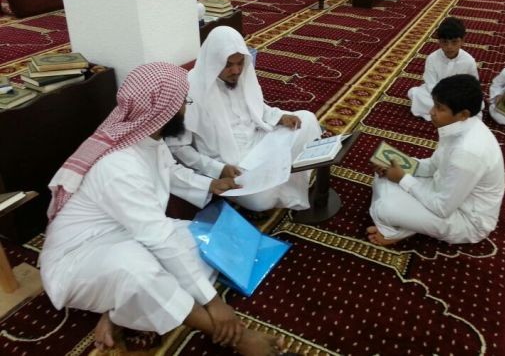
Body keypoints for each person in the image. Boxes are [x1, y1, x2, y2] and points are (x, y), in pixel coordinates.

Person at [39, 62, 284, 355]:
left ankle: (120, 310)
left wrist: (210, 184)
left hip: (129, 232)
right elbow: (158, 236)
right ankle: (240, 339)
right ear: (163, 109)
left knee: (202, 243)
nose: (185, 109)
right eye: (182, 102)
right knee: (137, 269)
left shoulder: (147, 140)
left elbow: (169, 171)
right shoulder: (118, 166)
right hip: (79, 258)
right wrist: (214, 303)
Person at [168, 26, 322, 212]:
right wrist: (217, 169)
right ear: (213, 62)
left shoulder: (241, 75)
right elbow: (178, 148)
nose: (236, 70)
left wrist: (279, 116)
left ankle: (279, 176)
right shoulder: (190, 90)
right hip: (233, 165)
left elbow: (256, 106)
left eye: (240, 63)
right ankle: (284, 176)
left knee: (306, 119)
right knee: (261, 201)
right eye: (228, 65)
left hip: (259, 141)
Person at [368, 74, 505, 245]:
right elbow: (433, 167)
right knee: (382, 176)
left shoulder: (468, 152)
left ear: (463, 114)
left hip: (467, 219)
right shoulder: (458, 127)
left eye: (439, 108)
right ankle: (407, 224)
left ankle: (394, 232)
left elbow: (442, 208)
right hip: (444, 190)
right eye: (434, 104)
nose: (431, 112)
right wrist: (399, 165)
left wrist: (402, 178)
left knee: (384, 208)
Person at [407, 17, 479, 121]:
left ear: (462, 41)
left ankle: (444, 113)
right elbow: (430, 84)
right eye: (445, 42)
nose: (449, 47)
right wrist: (443, 99)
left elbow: (472, 86)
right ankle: (453, 115)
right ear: (439, 42)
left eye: (454, 42)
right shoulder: (432, 58)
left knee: (476, 104)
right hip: (437, 96)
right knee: (414, 93)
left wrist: (455, 98)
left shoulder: (469, 61)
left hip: (458, 98)